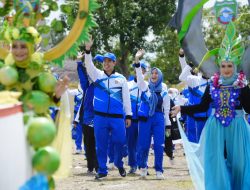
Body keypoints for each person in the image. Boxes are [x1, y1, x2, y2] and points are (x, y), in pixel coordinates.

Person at [171, 22, 250, 189]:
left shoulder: (242, 84)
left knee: (240, 164)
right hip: (215, 128)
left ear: (235, 66)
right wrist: (181, 108)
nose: (226, 69)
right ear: (219, 66)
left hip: (237, 128)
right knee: (216, 162)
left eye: (230, 66)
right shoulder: (212, 85)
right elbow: (201, 106)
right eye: (223, 66)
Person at [84, 38, 132, 179]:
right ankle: (102, 171)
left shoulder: (121, 79)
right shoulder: (97, 75)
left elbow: (126, 98)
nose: (106, 64)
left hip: (117, 117)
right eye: (104, 62)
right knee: (101, 145)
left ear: (114, 63)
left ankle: (118, 162)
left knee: (121, 142)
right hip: (99, 117)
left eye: (109, 61)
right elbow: (88, 64)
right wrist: (88, 50)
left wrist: (128, 115)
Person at [134, 49, 171, 180]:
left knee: (159, 145)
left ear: (160, 76)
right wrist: (137, 61)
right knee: (143, 144)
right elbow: (139, 78)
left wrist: (168, 125)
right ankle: (143, 167)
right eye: (152, 73)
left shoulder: (164, 91)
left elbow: (166, 109)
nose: (154, 75)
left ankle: (159, 170)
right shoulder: (145, 87)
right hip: (145, 119)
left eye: (156, 73)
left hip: (159, 118)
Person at [179, 49, 210, 143]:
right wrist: (190, 63)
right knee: (196, 141)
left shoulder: (214, 81)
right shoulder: (194, 79)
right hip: (196, 116)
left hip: (211, 118)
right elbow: (182, 77)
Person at [74, 58, 98, 174]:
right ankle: (90, 167)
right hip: (87, 120)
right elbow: (83, 77)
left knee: (99, 143)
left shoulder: (101, 86)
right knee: (88, 143)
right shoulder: (87, 87)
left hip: (100, 119)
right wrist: (79, 63)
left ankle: (99, 166)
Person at [126, 61, 148, 174]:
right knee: (131, 144)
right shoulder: (128, 85)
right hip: (131, 119)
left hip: (143, 120)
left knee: (143, 144)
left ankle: (143, 165)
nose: (139, 72)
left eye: (143, 70)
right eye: (138, 69)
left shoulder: (147, 86)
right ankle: (132, 165)